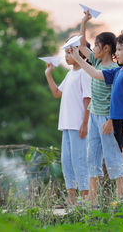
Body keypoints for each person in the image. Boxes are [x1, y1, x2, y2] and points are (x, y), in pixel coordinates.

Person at [77, 10, 123, 205]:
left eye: (96, 45)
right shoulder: (96, 61)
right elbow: (82, 46)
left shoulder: (115, 70)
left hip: (107, 118)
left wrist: (111, 121)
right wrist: (84, 21)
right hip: (94, 115)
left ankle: (121, 198)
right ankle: (93, 201)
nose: (93, 48)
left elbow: (117, 98)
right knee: (92, 157)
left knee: (113, 158)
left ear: (106, 48)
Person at [44, 43, 91, 206]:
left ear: (81, 53)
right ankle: (71, 197)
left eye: (70, 53)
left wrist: (85, 123)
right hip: (67, 125)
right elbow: (57, 93)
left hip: (78, 125)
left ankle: (85, 197)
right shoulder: (71, 74)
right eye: (66, 53)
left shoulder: (85, 73)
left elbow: (88, 99)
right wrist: (48, 74)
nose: (66, 56)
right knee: (67, 160)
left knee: (80, 160)